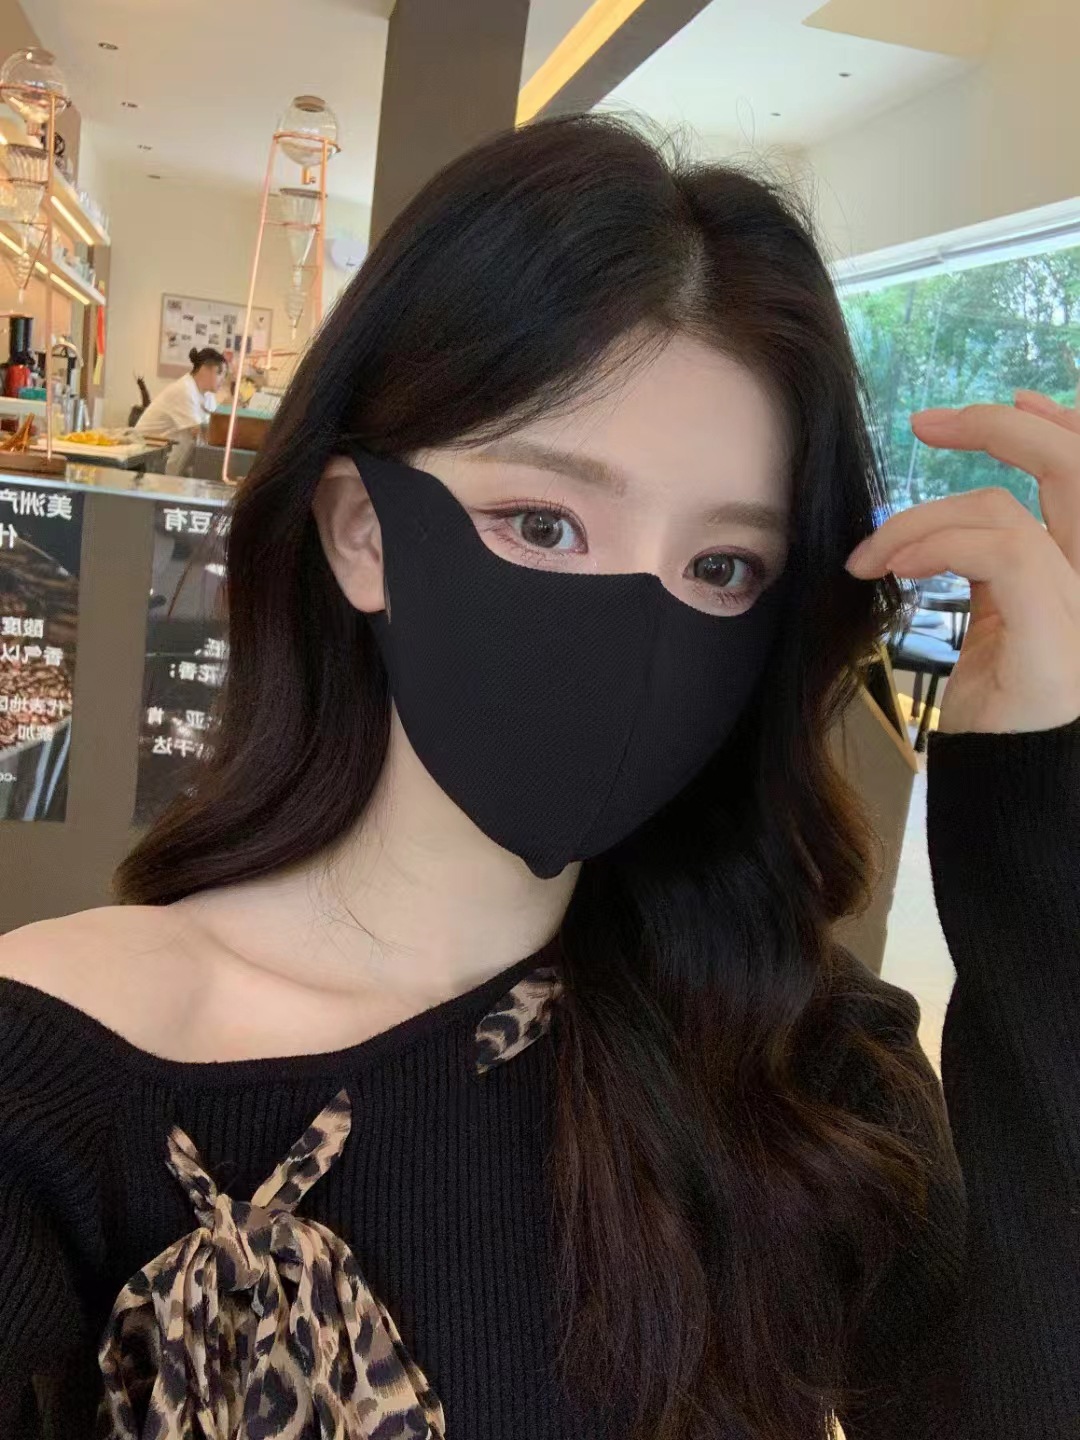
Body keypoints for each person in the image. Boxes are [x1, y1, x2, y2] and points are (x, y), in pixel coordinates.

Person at [0, 116, 1077, 1440]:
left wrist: (1042, 811)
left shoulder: (800, 1064)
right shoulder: (58, 1079)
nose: (635, 631)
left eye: (722, 567)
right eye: (545, 523)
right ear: (362, 535)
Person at [134, 345, 227, 474]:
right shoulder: (184, 390)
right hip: (144, 458)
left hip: (167, 460)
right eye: (220, 373)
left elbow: (212, 428)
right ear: (205, 369)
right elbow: (200, 433)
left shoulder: (208, 395)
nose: (223, 380)